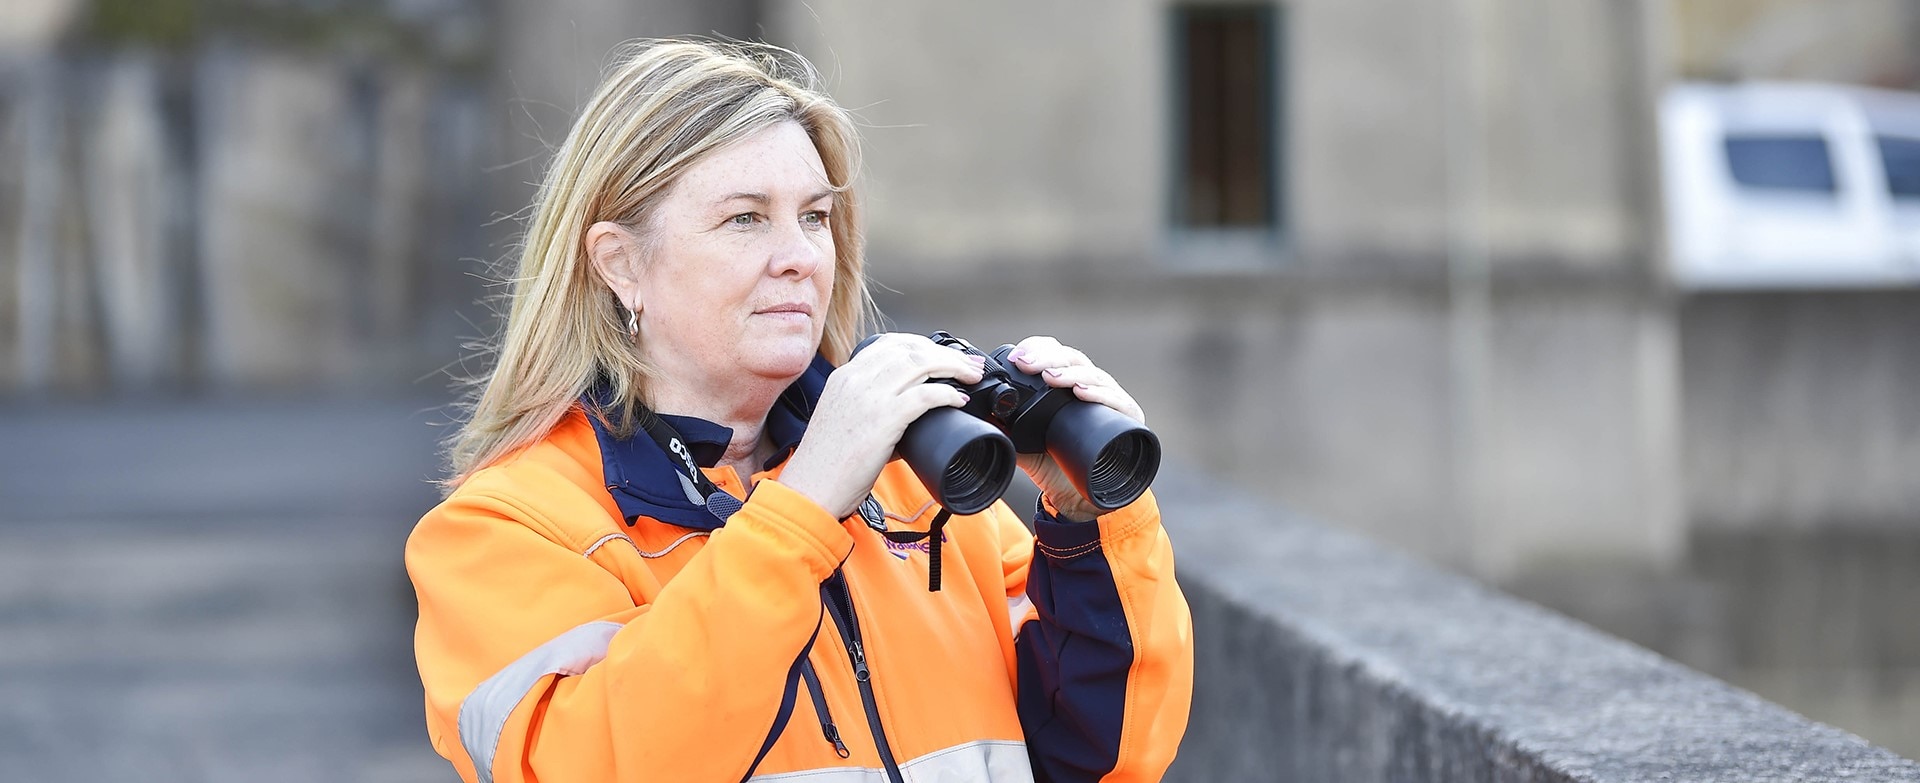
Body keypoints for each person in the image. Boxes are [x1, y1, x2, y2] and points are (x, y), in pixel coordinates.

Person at [406, 39, 1192, 783]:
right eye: (746, 218)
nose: (801, 256)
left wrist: (1086, 529)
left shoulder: (918, 487)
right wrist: (804, 510)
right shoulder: (504, 529)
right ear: (621, 263)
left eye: (814, 216)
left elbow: (1095, 758)